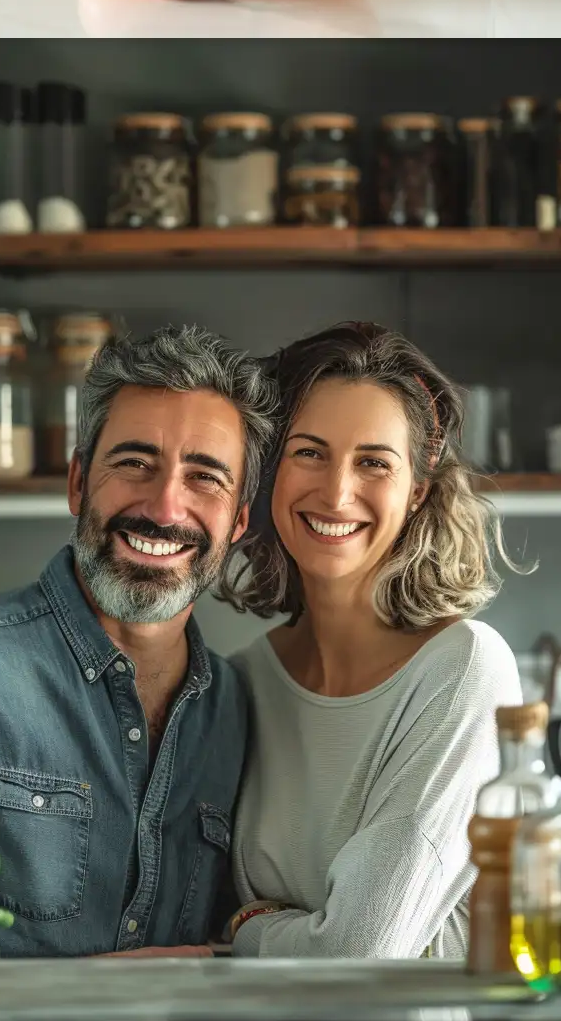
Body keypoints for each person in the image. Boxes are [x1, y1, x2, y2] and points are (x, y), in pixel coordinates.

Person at [0, 327, 274, 956]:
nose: (165, 505)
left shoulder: (236, 708)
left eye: (204, 477)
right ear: (77, 484)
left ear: (238, 521)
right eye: (134, 464)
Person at [218, 322, 524, 959]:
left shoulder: (464, 670)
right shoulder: (242, 680)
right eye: (308, 452)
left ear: (416, 491)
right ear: (269, 469)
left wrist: (247, 931)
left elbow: (361, 951)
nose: (336, 491)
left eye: (373, 463)